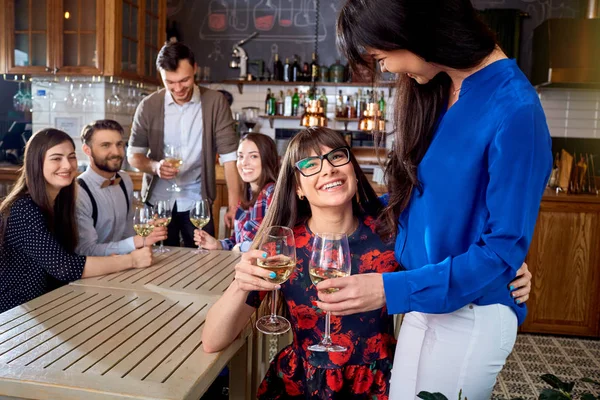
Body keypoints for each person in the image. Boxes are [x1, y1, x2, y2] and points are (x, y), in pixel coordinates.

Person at [322, 1, 552, 398]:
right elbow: (422, 202)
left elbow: (499, 253)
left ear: (410, 31)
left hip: (471, 314)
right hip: (425, 303)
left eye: (381, 57)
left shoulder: (516, 110)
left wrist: (388, 290)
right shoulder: (443, 89)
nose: (387, 69)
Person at [201, 127, 532, 399]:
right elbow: (213, 340)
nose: (328, 168)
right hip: (300, 385)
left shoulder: (392, 234)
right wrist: (240, 284)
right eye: (310, 165)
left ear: (354, 172)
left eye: (336, 157)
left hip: (382, 384)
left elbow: (456, 262)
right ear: (298, 188)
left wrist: (506, 267)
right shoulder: (285, 248)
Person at [0, 129, 153, 314]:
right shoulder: (24, 208)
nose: (67, 165)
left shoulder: (61, 202)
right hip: (17, 315)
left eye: (71, 157)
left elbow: (74, 256)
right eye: (56, 158)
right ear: (36, 163)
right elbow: (65, 267)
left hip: (52, 304)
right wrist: (131, 261)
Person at [127, 40, 242, 247]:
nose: (178, 88)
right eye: (170, 82)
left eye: (184, 80)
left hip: (197, 203)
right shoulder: (148, 106)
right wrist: (155, 166)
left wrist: (235, 205)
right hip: (158, 205)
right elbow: (133, 155)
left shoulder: (215, 102)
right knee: (158, 267)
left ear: (195, 69)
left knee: (203, 266)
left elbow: (229, 157)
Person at [76, 120, 167, 256]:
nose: (116, 152)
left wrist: (147, 229)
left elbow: (127, 232)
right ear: (87, 150)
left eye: (119, 144)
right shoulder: (79, 192)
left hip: (125, 265)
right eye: (105, 145)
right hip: (93, 272)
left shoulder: (124, 180)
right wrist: (138, 241)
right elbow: (86, 250)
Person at [193, 133, 278, 252]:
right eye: (240, 156)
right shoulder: (247, 194)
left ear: (267, 159)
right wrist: (218, 244)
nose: (244, 162)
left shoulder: (273, 193)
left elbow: (275, 243)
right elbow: (237, 241)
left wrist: (241, 247)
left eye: (253, 156)